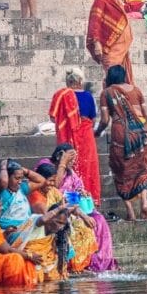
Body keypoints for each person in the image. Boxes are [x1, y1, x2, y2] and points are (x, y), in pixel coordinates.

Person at [95, 65, 147, 220]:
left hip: (121, 134)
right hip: (142, 134)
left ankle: (131, 212)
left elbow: (105, 120)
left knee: (120, 170)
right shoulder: (136, 90)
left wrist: (97, 132)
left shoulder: (107, 93)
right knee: (143, 168)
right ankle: (145, 202)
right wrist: (140, 127)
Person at [48, 145, 118, 271]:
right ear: (60, 156)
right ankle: (81, 263)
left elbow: (78, 188)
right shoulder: (46, 166)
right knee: (81, 224)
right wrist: (63, 163)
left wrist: (82, 192)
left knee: (99, 219)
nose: (73, 161)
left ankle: (101, 261)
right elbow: (54, 188)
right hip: (57, 210)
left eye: (74, 158)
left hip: (75, 208)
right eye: (70, 157)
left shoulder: (71, 173)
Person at [28, 163, 98, 274]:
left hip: (57, 223)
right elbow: (47, 216)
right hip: (43, 229)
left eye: (53, 181)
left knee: (84, 228)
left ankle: (77, 267)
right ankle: (67, 267)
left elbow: (68, 205)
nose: (52, 184)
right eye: (49, 180)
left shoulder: (53, 191)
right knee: (67, 230)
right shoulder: (35, 195)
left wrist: (84, 216)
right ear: (41, 180)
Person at [48, 67, 100, 203]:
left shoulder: (60, 95)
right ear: (80, 81)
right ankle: (90, 200)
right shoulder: (88, 96)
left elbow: (54, 119)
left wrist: (69, 123)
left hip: (67, 138)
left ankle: (67, 199)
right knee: (88, 167)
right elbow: (93, 120)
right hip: (86, 137)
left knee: (67, 164)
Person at [87, 0, 134, 83]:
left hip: (121, 49)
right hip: (110, 48)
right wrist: (97, 43)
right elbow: (95, 22)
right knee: (113, 79)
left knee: (123, 80)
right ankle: (110, 99)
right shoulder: (101, 0)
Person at [0, 159, 47, 244]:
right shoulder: (1, 192)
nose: (20, 181)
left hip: (26, 227)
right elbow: (3, 182)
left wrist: (23, 170)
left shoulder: (21, 189)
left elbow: (42, 181)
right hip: (10, 232)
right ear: (7, 177)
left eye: (21, 178)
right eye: (17, 178)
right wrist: (3, 167)